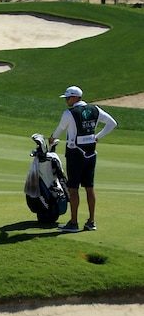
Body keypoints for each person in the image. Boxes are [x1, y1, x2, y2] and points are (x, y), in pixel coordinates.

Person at [48, 86, 117, 233]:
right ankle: (91, 221)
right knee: (89, 187)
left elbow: (60, 129)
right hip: (91, 153)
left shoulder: (69, 113)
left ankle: (73, 223)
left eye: (68, 98)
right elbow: (112, 123)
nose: (66, 100)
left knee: (73, 189)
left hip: (75, 154)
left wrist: (52, 138)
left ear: (76, 98)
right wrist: (98, 137)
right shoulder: (95, 109)